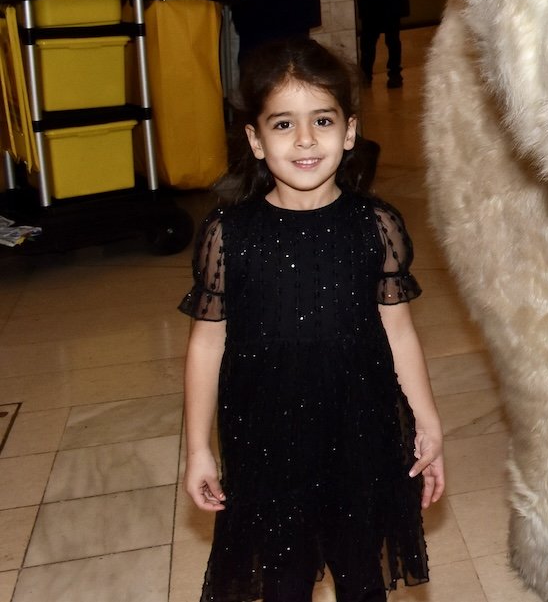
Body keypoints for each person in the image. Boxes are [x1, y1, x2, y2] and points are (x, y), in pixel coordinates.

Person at [180, 37, 444, 602]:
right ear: (254, 139)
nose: (305, 140)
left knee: (361, 574)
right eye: (282, 125)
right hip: (266, 440)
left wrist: (426, 420)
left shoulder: (376, 226)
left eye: (321, 120)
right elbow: (206, 345)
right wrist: (198, 448)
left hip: (360, 432)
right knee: (282, 581)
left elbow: (398, 330)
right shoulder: (229, 234)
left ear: (348, 132)